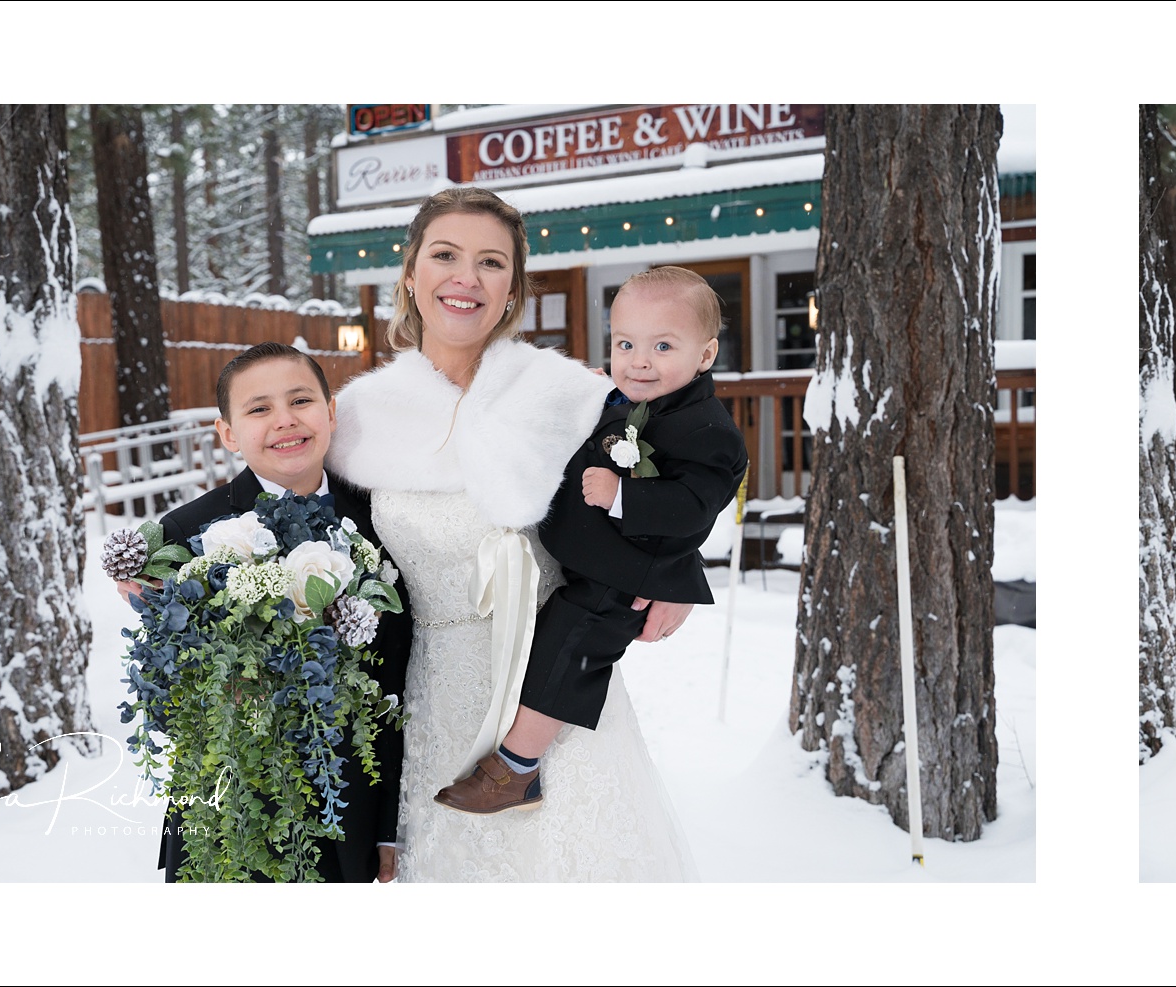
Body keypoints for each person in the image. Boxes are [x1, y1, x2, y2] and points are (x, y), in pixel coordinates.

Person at [326, 186, 697, 881]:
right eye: (445, 255)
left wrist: (677, 568)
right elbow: (287, 513)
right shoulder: (359, 417)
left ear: (512, 288)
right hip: (436, 705)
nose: (466, 277)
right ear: (410, 273)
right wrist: (181, 564)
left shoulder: (570, 397)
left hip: (554, 702)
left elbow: (685, 471)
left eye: (491, 262)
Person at [432, 266, 747, 814]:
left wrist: (622, 495)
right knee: (559, 640)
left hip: (623, 576)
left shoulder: (707, 430)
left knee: (571, 648)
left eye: (663, 346)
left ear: (705, 355)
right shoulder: (631, 399)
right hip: (593, 560)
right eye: (626, 343)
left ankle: (517, 768)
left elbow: (695, 506)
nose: (639, 360)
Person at [137, 341, 413, 882]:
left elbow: (399, 676)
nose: (285, 421)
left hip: (347, 805)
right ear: (229, 433)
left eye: (301, 401)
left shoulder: (385, 524)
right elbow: (160, 694)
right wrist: (227, 691)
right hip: (230, 812)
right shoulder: (184, 536)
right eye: (259, 408)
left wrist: (388, 822)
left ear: (330, 412)